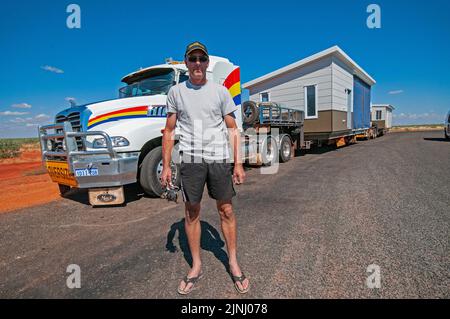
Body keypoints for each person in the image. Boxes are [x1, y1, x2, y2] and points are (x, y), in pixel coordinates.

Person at [160, 41, 250, 295]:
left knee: (227, 210)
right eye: (192, 59)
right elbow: (168, 131)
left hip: (219, 158)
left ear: (207, 63)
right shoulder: (176, 93)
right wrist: (166, 166)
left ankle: (232, 262)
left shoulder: (221, 92)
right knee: (191, 213)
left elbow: (233, 129)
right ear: (186, 63)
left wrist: (238, 163)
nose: (197, 63)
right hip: (191, 160)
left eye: (201, 58)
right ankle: (196, 266)